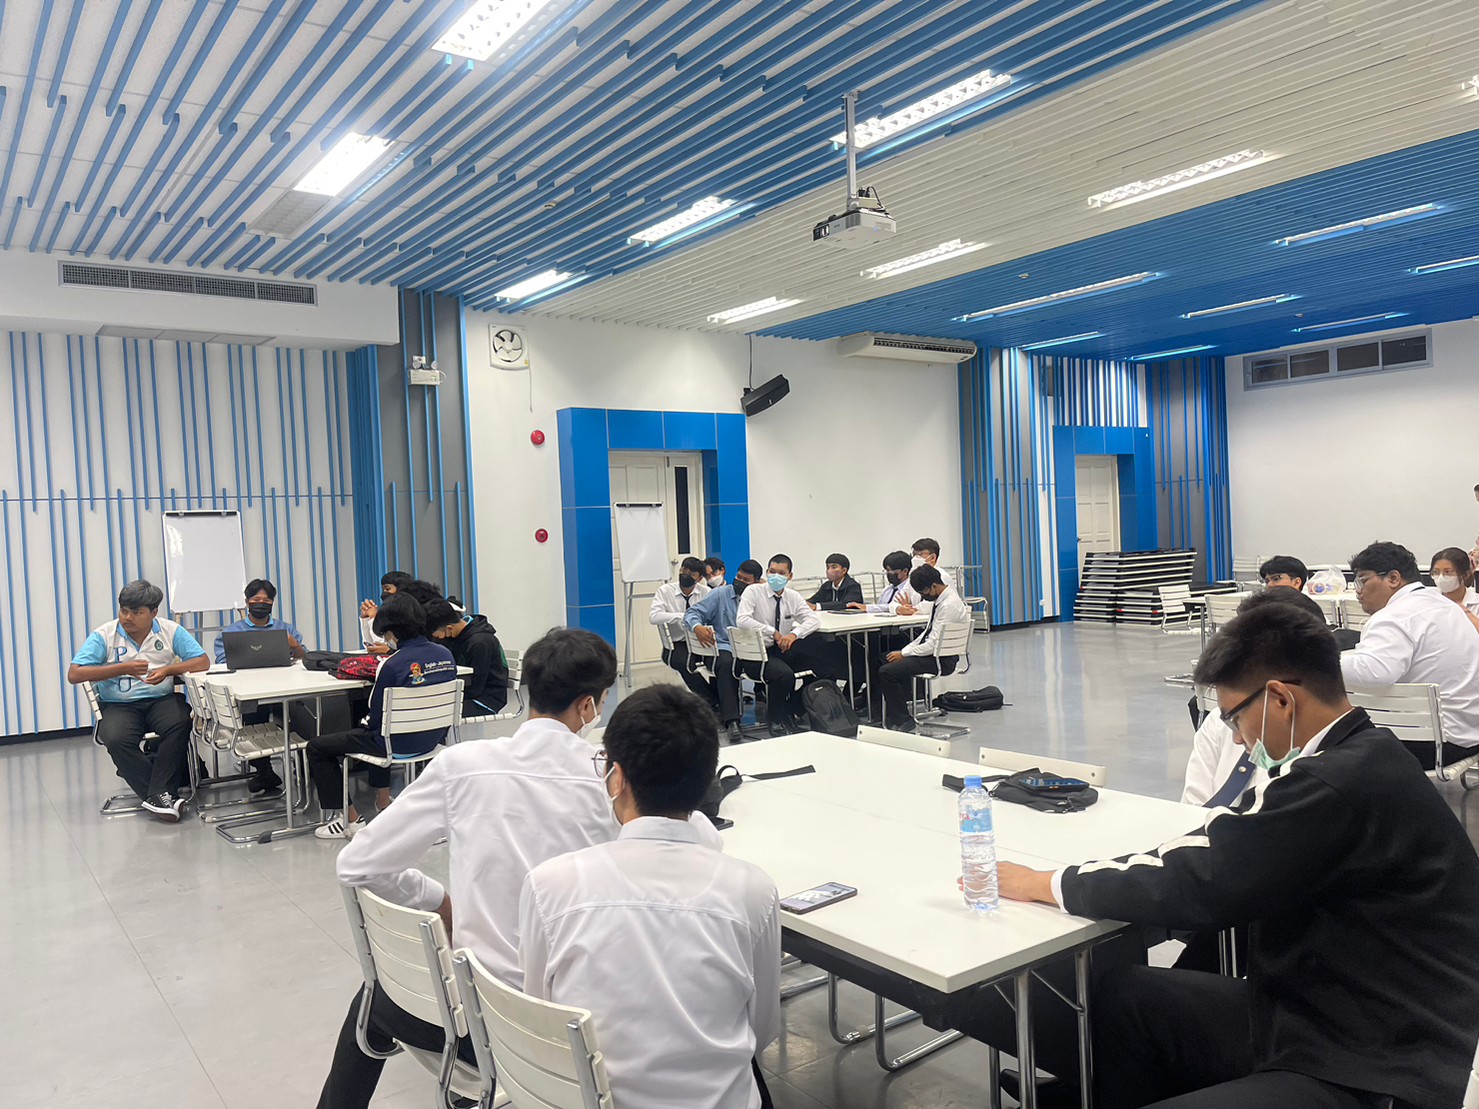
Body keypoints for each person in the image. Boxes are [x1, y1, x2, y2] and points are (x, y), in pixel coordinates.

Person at [996, 601, 1479, 1109]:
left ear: (1280, 699)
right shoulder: (1363, 751)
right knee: (1127, 995)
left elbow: (1203, 878)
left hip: (1377, 1060)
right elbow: (1230, 842)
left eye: (1234, 717)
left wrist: (1047, 883)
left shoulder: (1333, 782)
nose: (1237, 737)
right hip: (1322, 1008)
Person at [319, 629, 719, 1109]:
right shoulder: (613, 780)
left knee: (370, 1002)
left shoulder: (462, 766)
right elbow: (701, 846)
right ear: (588, 706)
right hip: (574, 1030)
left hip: (476, 1011)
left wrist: (437, 900)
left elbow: (358, 864)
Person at [519, 685, 780, 1109]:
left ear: (617, 777)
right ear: (706, 781)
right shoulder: (753, 890)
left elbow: (542, 1016)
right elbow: (762, 1028)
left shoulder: (550, 885)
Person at [308, 594, 456, 839]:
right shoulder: (445, 655)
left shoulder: (391, 665)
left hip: (396, 744)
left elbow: (376, 717)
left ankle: (350, 820)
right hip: (433, 741)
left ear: (392, 633)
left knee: (318, 747)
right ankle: (384, 802)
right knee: (381, 731)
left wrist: (363, 723)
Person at [67, 579, 210, 821]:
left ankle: (155, 793)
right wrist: (121, 668)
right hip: (118, 705)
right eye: (124, 611)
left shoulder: (170, 631)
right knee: (115, 737)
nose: (128, 617)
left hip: (161, 700)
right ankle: (162, 795)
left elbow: (202, 661)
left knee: (180, 722)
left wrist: (167, 670)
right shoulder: (104, 635)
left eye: (136, 612)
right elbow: (75, 673)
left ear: (153, 613)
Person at [1341, 540, 1479, 768]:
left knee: (1330, 726)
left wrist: (1315, 662)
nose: (1357, 590)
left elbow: (1374, 672)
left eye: (1363, 580)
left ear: (1393, 578)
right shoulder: (1444, 604)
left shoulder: (1394, 616)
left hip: (1435, 745)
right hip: (1470, 733)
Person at [213, 577, 310, 794]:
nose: (261, 604)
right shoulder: (232, 633)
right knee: (252, 716)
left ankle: (306, 766)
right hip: (251, 692)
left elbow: (305, 658)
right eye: (256, 600)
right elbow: (222, 664)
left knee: (303, 713)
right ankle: (264, 771)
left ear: (272, 603)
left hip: (285, 689)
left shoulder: (285, 629)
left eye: (266, 601)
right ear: (247, 602)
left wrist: (295, 646)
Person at [736, 553, 841, 734]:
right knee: (784, 675)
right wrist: (772, 632)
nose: (775, 576)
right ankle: (775, 719)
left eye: (781, 573)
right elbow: (742, 620)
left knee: (827, 671)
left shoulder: (792, 596)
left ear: (790, 576)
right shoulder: (753, 591)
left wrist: (794, 634)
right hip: (758, 653)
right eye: (772, 572)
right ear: (767, 572)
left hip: (783, 650)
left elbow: (813, 620)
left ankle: (792, 707)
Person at [875, 565, 971, 731]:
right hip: (934, 654)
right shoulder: (941, 600)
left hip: (942, 659)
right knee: (882, 658)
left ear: (934, 586)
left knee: (887, 672)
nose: (923, 596)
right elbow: (926, 634)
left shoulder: (949, 605)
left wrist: (904, 653)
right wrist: (904, 651)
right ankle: (885, 712)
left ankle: (903, 720)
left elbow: (933, 644)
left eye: (923, 592)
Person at [686, 559, 763, 744]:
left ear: (756, 582)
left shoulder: (761, 598)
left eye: (746, 580)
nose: (740, 582)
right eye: (739, 577)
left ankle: (784, 713)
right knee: (726, 663)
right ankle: (732, 721)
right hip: (722, 647)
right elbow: (692, 613)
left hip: (754, 649)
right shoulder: (720, 594)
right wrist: (697, 627)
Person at [424, 597, 509, 717]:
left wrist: (446, 696)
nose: (437, 638)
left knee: (435, 712)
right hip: (467, 691)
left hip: (486, 699)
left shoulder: (480, 643)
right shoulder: (456, 635)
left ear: (449, 628)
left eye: (437, 635)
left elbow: (476, 687)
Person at [649, 556, 716, 705]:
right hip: (677, 644)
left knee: (720, 662)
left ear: (699, 579)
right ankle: (709, 700)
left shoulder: (706, 592)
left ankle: (720, 699)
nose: (685, 575)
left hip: (701, 641)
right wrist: (685, 617)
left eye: (691, 574)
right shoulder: (665, 591)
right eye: (684, 570)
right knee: (684, 663)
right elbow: (654, 616)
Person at [849, 550, 923, 616]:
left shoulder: (911, 588)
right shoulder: (887, 590)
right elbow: (881, 607)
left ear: (905, 571)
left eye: (891, 571)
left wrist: (867, 608)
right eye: (887, 571)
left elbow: (891, 607)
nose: (888, 574)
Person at [359, 570, 411, 655]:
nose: (384, 593)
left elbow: (381, 645)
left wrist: (374, 618)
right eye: (383, 589)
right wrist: (366, 619)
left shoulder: (408, 614)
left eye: (387, 589)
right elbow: (372, 646)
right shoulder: (388, 613)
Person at [1430, 547, 1479, 631]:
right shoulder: (1428, 599)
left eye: (1448, 572)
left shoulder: (1476, 602)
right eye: (1436, 572)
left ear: (1466, 574)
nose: (1441, 577)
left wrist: (1465, 612)